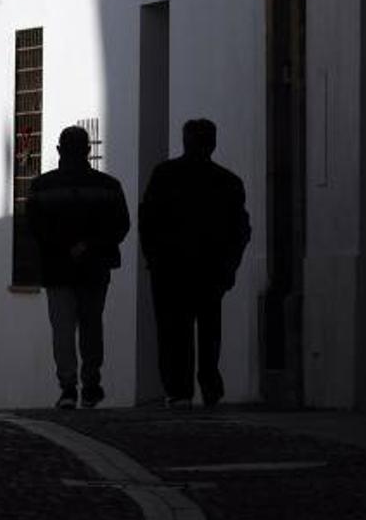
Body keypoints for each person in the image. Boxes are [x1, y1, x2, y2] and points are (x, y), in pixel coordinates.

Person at [139, 119, 251, 408]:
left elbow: (148, 220)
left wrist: (153, 258)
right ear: (213, 143)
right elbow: (240, 230)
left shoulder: (164, 175)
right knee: (210, 330)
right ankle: (209, 383)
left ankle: (179, 389)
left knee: (173, 331)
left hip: (170, 269)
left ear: (184, 141)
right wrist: (229, 265)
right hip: (210, 269)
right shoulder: (228, 182)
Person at [27, 125, 131, 409]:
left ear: (59, 150)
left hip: (57, 268)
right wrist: (89, 245)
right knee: (91, 325)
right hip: (94, 268)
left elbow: (36, 227)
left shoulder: (41, 187)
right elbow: (120, 225)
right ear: (88, 150)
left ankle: (68, 386)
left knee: (62, 329)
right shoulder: (109, 187)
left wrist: (64, 246)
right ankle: (91, 382)